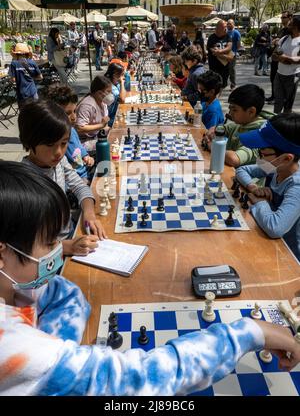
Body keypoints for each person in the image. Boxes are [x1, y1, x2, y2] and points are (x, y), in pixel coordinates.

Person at [1, 163, 300, 396]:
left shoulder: (13, 288)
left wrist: (57, 350)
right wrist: (250, 332)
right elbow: (141, 379)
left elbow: (61, 292)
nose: (59, 248)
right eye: (50, 241)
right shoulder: (15, 348)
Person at [18, 100, 106, 255]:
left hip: (71, 232)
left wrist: (89, 214)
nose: (59, 152)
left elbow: (79, 186)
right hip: (51, 254)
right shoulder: (24, 182)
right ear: (30, 140)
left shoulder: (59, 162)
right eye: (50, 145)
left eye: (64, 143)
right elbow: (28, 245)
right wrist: (68, 247)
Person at [236, 113, 300, 261]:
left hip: (288, 257)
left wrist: (260, 202)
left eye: (262, 153)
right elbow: (242, 170)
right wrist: (253, 187)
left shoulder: (296, 185)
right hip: (265, 239)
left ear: (286, 158)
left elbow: (275, 228)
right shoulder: (275, 166)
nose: (259, 159)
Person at [204, 84, 266, 167]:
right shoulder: (242, 123)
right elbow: (221, 128)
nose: (230, 113)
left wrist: (212, 146)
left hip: (244, 179)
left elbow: (234, 159)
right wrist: (212, 131)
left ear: (251, 112)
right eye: (230, 108)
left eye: (234, 110)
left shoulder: (259, 135)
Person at [48, 85, 95, 182]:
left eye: (74, 111)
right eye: (68, 113)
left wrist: (85, 156)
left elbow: (78, 147)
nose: (74, 117)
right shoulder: (56, 138)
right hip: (76, 178)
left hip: (84, 170)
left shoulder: (72, 130)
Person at [76, 75, 112, 152]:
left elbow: (105, 125)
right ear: (99, 92)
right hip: (84, 142)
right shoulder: (87, 105)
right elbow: (79, 128)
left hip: (96, 136)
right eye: (108, 92)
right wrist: (101, 125)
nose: (111, 94)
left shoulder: (103, 102)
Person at [273, 16, 300, 114]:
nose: (287, 26)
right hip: (279, 75)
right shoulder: (284, 39)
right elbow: (274, 55)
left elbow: (298, 60)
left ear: (296, 27)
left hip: (293, 76)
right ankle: (275, 123)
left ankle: (285, 126)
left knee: (288, 105)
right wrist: (285, 59)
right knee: (278, 103)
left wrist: (284, 58)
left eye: (290, 24)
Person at [266, 11, 292, 104]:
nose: (282, 19)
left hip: (283, 57)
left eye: (284, 17)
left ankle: (279, 98)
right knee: (273, 77)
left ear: (289, 18)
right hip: (275, 56)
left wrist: (278, 41)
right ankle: (273, 96)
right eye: (281, 17)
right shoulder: (281, 30)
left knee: (280, 79)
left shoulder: (290, 30)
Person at [9, 43, 43, 107]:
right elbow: (40, 77)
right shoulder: (32, 62)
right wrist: (32, 78)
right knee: (36, 111)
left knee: (24, 114)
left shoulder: (14, 63)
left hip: (22, 93)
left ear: (16, 53)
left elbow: (13, 80)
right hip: (33, 91)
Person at [207, 20, 233, 89]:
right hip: (214, 67)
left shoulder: (227, 36)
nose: (226, 28)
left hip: (225, 67)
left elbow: (229, 47)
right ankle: (215, 98)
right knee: (215, 85)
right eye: (224, 27)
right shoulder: (212, 38)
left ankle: (217, 97)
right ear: (218, 28)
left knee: (223, 85)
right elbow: (214, 52)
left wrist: (220, 51)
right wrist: (227, 57)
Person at [104, 63, 126, 127]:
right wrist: (122, 83)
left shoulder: (115, 83)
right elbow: (122, 100)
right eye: (122, 75)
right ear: (115, 75)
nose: (123, 77)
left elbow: (124, 94)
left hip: (113, 115)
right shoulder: (110, 87)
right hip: (109, 119)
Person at [227, 19, 241, 90]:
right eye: (228, 24)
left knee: (232, 70)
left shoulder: (236, 33)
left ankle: (233, 85)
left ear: (233, 24)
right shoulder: (226, 32)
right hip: (225, 53)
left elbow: (238, 44)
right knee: (225, 69)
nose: (228, 25)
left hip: (232, 53)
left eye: (230, 24)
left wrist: (236, 52)